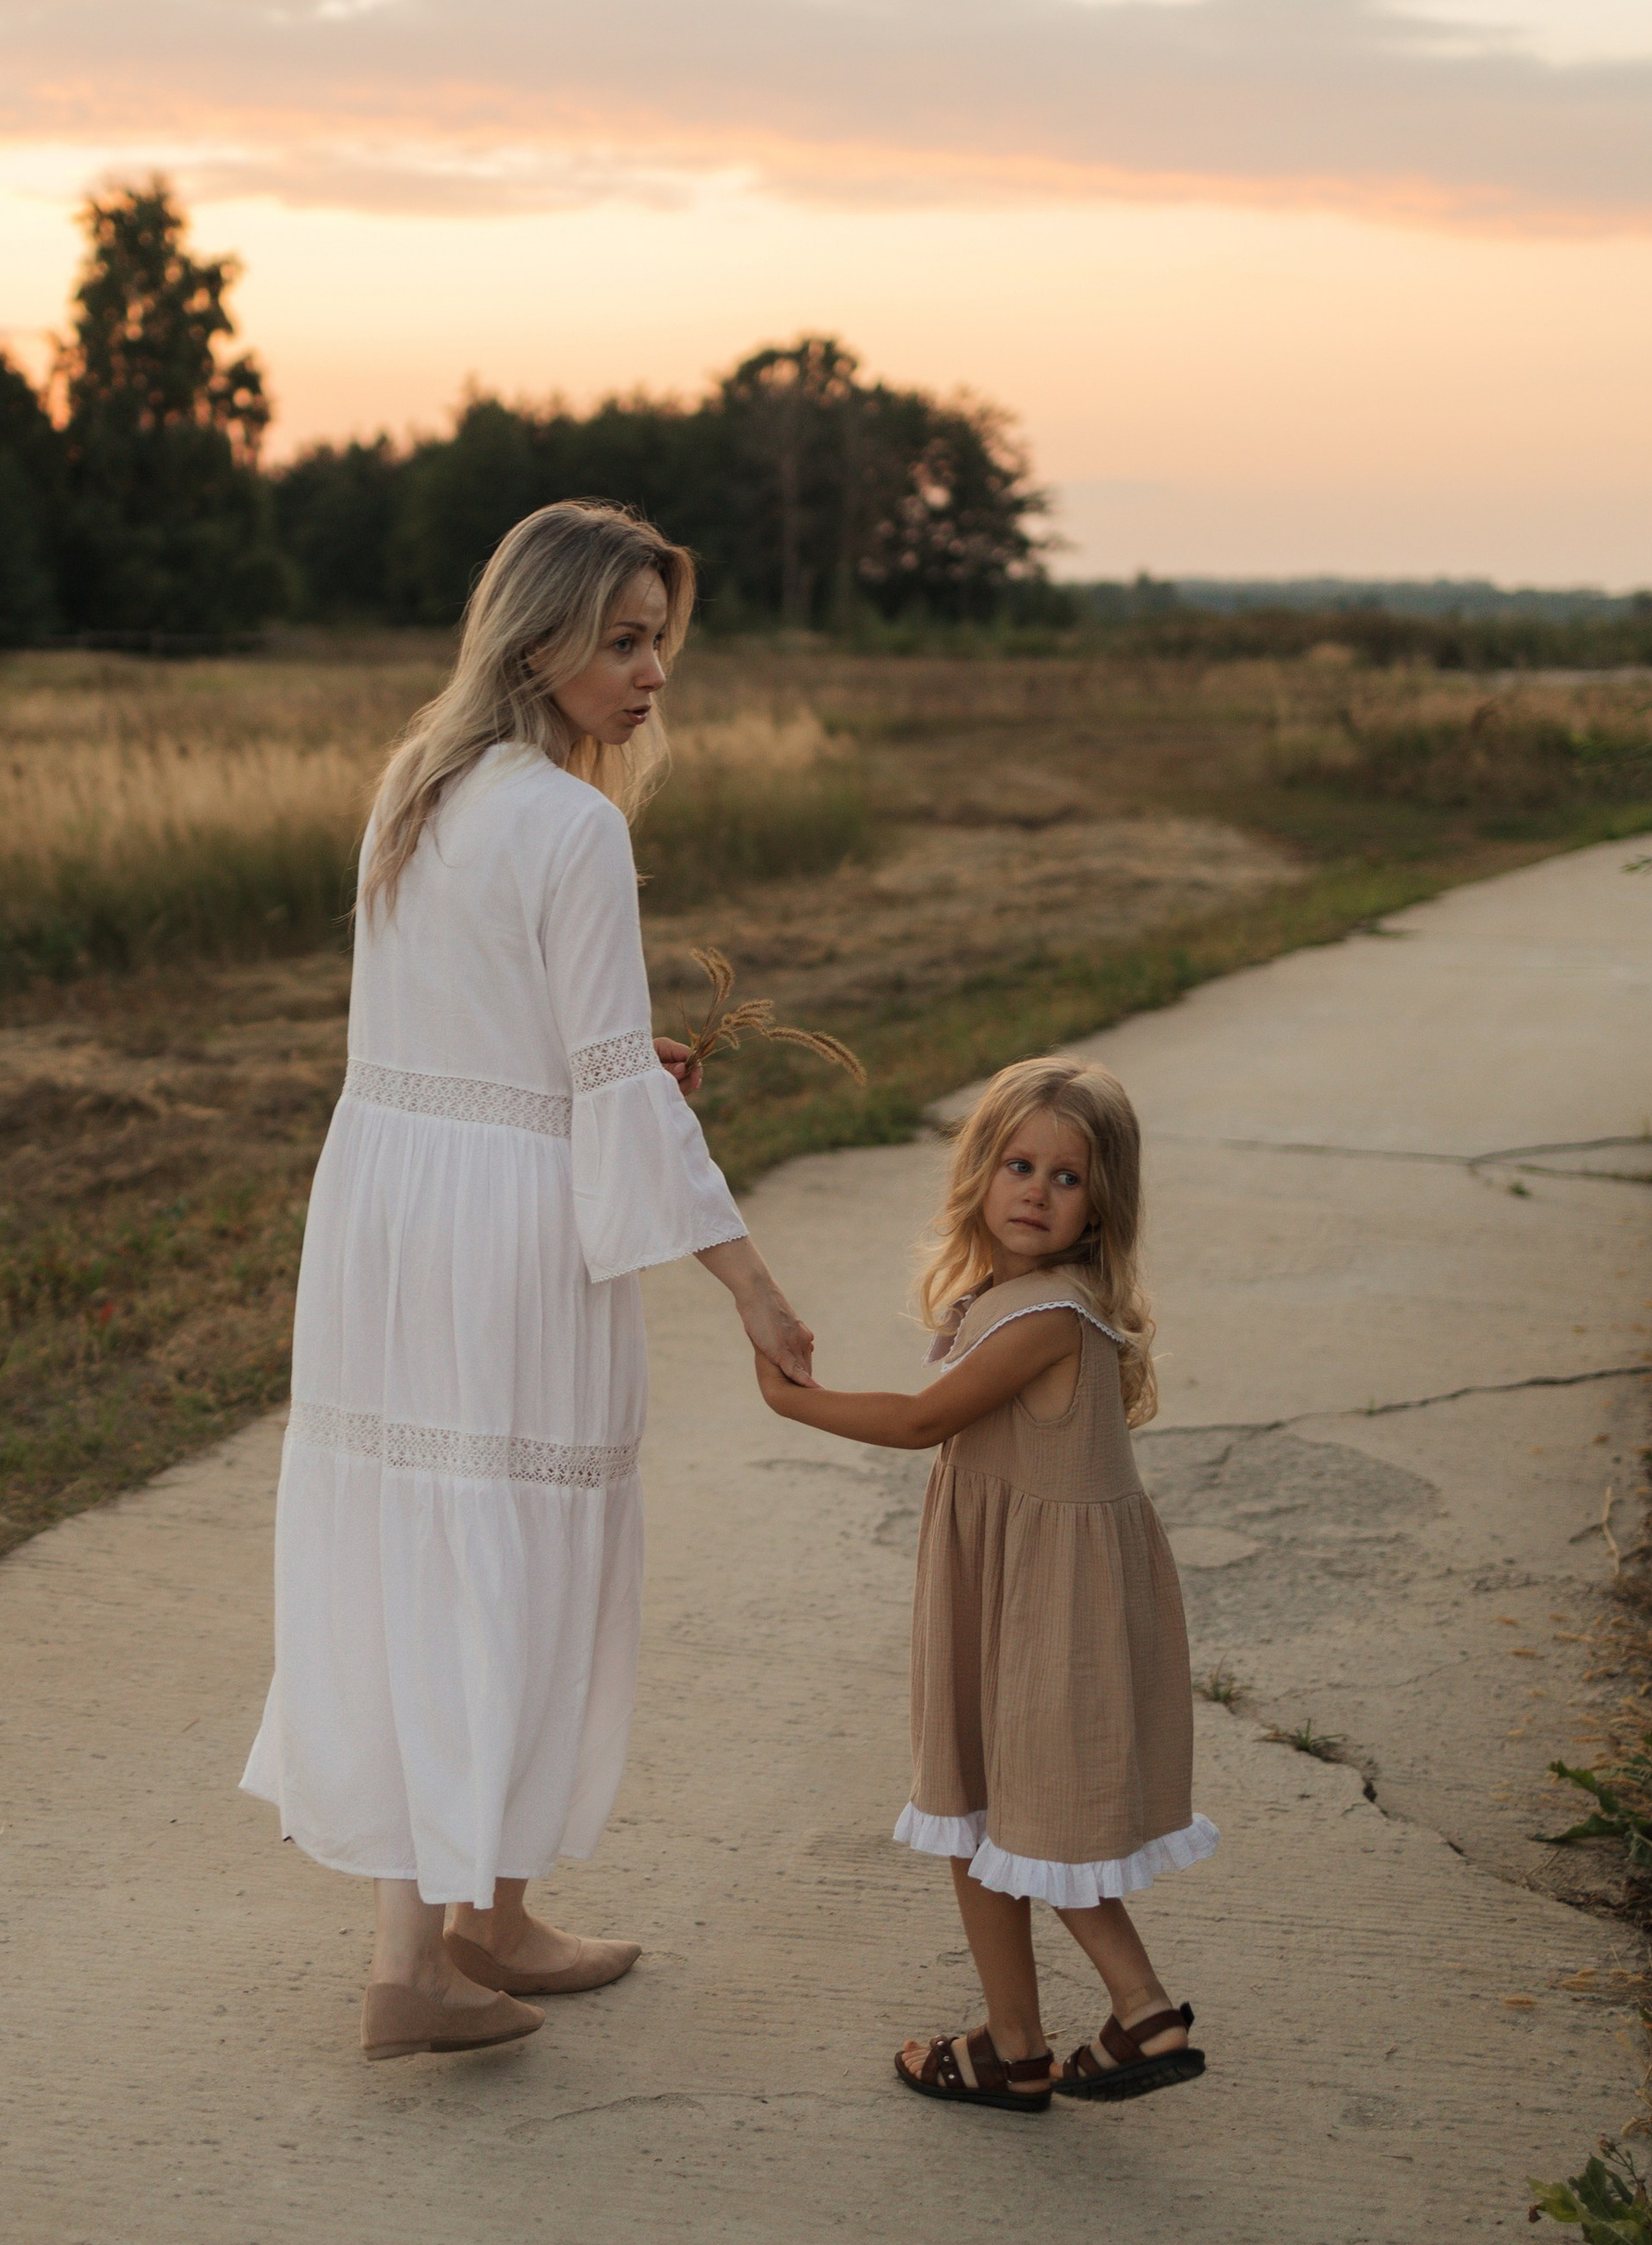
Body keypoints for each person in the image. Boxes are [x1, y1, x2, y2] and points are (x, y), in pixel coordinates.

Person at [242, 501, 816, 2061]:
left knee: (425, 1541)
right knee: (505, 1552)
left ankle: (481, 1925)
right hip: (506, 1227)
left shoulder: (413, 788)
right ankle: (414, 1963)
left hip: (384, 1212)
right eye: (623, 642)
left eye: (661, 645)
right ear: (538, 634)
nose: (651, 676)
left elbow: (537, 1048)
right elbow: (612, 1090)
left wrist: (603, 1071)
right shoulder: (573, 826)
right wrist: (750, 1283)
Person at [752, 1055, 1213, 2114]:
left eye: (1067, 1177)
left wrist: (794, 1401)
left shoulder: (1050, 1314)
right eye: (1018, 1165)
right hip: (1011, 1591)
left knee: (1033, 1820)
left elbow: (921, 1422)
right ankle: (1017, 2045)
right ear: (979, 1173)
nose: (1037, 1192)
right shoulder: (1007, 1300)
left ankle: (1141, 2009)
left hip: (1049, 1607)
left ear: (1102, 1205)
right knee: (980, 1809)